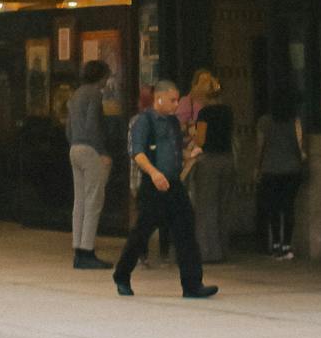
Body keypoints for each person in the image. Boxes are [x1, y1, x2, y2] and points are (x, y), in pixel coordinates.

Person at [113, 79, 219, 301]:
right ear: (158, 98)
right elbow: (138, 152)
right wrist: (153, 173)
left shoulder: (172, 123)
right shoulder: (144, 121)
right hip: (154, 185)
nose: (176, 104)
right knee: (142, 232)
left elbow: (175, 150)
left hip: (174, 184)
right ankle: (122, 274)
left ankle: (192, 284)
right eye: (172, 99)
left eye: (177, 99)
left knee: (186, 230)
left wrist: (190, 155)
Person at [65, 58, 114, 269]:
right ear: (100, 77)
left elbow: (69, 127)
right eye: (106, 76)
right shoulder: (95, 94)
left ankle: (78, 248)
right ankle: (87, 250)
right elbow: (94, 124)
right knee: (94, 200)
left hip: (74, 147)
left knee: (80, 202)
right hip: (90, 149)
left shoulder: (75, 94)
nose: (107, 80)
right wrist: (102, 151)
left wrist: (74, 142)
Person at [255, 88, 307, 259]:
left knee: (274, 208)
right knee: (288, 207)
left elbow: (260, 146)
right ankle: (287, 245)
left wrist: (257, 166)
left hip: (270, 169)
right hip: (292, 169)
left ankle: (276, 243)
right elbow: (300, 146)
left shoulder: (265, 121)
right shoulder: (295, 121)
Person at [188, 75, 234, 265]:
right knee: (223, 207)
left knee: (206, 208)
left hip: (209, 161)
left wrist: (192, 132)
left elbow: (200, 140)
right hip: (227, 159)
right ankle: (223, 249)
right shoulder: (228, 111)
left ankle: (208, 252)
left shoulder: (205, 114)